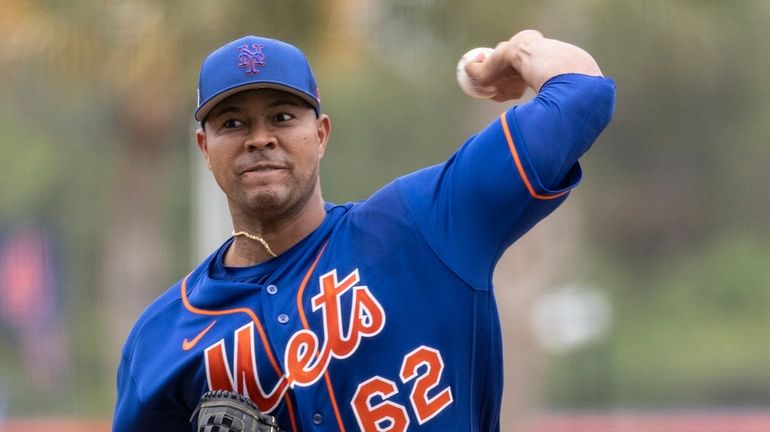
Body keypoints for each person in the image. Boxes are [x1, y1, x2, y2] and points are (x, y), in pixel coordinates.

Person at [113, 29, 615, 431]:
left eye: (282, 116)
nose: (260, 138)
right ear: (205, 147)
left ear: (321, 133)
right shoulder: (162, 339)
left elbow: (583, 94)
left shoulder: (421, 225)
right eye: (233, 124)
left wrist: (518, 51)